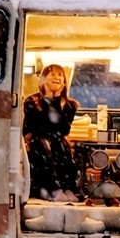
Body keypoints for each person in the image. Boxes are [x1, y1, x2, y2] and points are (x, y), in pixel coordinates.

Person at [23, 64, 81, 202]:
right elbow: (38, 127)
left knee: (62, 146)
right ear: (44, 78)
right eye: (52, 74)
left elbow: (63, 129)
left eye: (60, 75)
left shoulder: (70, 105)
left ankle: (68, 188)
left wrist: (55, 101)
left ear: (64, 81)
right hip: (38, 140)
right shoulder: (31, 101)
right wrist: (49, 97)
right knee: (44, 145)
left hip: (57, 140)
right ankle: (54, 189)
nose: (57, 78)